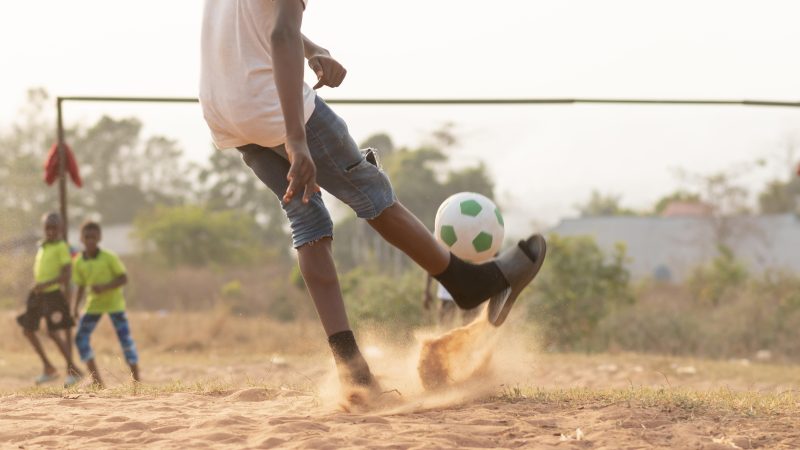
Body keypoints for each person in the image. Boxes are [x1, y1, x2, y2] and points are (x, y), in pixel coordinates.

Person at [199, 0, 546, 394]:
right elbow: (280, 33)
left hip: (225, 108)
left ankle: (352, 371)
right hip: (268, 102)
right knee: (369, 191)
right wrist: (296, 139)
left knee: (307, 218)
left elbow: (260, 24)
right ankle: (466, 282)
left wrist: (313, 49)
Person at [16, 213, 83, 387]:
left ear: (61, 229)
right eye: (48, 228)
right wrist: (38, 284)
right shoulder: (42, 246)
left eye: (54, 228)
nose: (51, 231)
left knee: (54, 332)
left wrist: (47, 284)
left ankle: (73, 369)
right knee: (28, 330)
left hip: (52, 295)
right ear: (44, 228)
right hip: (37, 294)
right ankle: (48, 367)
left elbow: (66, 274)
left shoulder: (61, 247)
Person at [72, 221, 140, 388]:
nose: (90, 240)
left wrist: (105, 287)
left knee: (125, 340)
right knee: (80, 338)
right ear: (81, 239)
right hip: (93, 305)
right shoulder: (79, 261)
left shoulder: (109, 257)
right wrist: (75, 307)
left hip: (114, 305)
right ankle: (97, 381)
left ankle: (137, 381)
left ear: (99, 238)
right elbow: (80, 286)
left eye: (93, 237)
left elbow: (123, 278)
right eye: (87, 237)